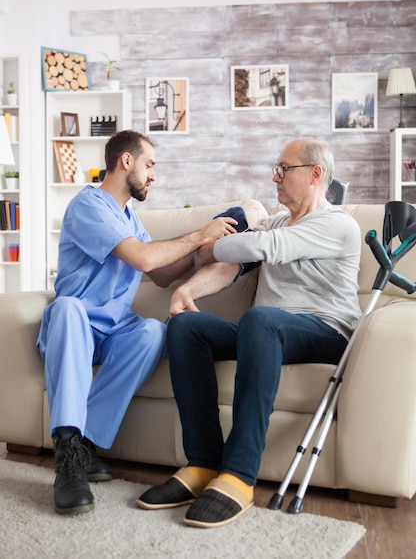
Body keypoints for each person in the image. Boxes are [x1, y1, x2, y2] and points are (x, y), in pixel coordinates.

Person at [136, 137, 362, 528]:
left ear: (315, 174)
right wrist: (186, 289)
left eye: (283, 169)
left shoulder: (338, 224)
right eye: (275, 169)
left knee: (261, 318)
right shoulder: (274, 221)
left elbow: (265, 247)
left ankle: (240, 475)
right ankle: (204, 463)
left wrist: (232, 243)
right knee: (188, 325)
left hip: (326, 331)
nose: (275, 178)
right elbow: (221, 259)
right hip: (270, 331)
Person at [37, 129, 237, 515]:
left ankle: (86, 445)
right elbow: (144, 259)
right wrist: (198, 233)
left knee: (152, 330)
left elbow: (161, 274)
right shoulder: (88, 204)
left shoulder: (130, 216)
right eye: (149, 165)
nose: (153, 175)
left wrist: (202, 249)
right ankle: (67, 454)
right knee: (67, 308)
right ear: (125, 161)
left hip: (112, 331)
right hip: (74, 329)